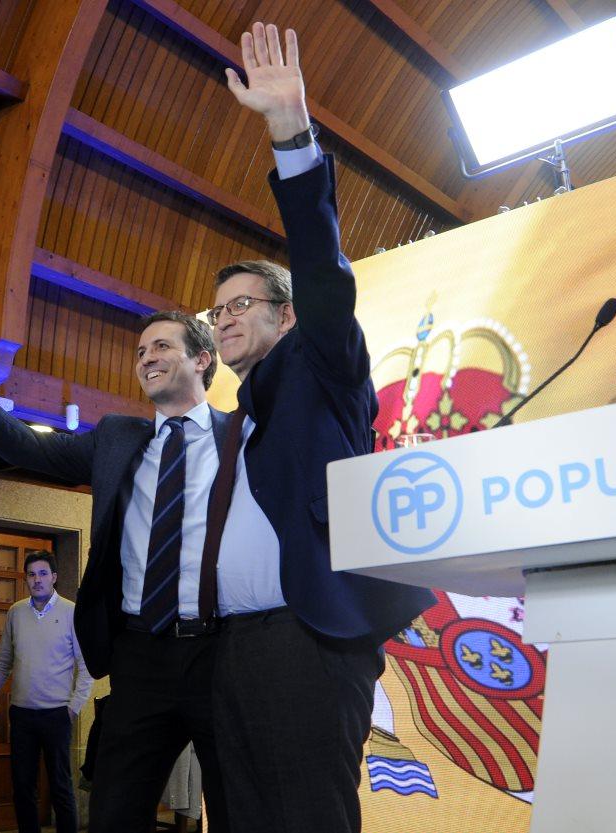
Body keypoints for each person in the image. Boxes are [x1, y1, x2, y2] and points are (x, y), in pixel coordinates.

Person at [205, 23, 436, 832]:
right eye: (217, 310)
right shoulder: (236, 417)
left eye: (242, 305)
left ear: (286, 314)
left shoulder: (321, 364)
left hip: (310, 641)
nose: (224, 319)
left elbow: (325, 276)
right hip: (231, 652)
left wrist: (290, 136)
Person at [0, 307, 232, 833]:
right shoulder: (116, 437)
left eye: (161, 347)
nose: (146, 358)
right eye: (140, 351)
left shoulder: (242, 440)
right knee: (112, 814)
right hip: (139, 654)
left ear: (203, 359)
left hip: (221, 653)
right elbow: (27, 445)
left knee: (237, 808)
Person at [0, 550, 94, 833]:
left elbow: (87, 665)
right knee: (22, 788)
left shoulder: (71, 612)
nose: (37, 579)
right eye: (31, 574)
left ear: (54, 577)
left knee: (61, 788)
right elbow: (3, 662)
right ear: (26, 579)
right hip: (22, 716)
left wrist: (73, 707)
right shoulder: (16, 612)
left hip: (57, 715)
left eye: (43, 573)